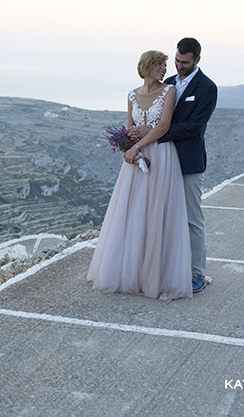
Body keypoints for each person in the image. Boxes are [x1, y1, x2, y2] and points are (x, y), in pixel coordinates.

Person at [87, 50, 192, 301]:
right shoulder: (132, 94)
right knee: (133, 211)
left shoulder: (169, 92)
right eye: (160, 65)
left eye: (165, 65)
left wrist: (137, 145)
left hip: (161, 156)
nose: (164, 69)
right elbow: (129, 126)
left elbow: (164, 126)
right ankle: (128, 272)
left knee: (157, 211)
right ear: (146, 66)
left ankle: (155, 277)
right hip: (136, 158)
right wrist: (127, 147)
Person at [130, 38, 217, 293]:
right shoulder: (167, 84)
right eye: (177, 61)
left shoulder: (207, 88)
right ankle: (166, 268)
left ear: (197, 60)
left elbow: (194, 127)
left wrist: (155, 131)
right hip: (160, 162)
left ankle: (196, 273)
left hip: (188, 162)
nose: (179, 66)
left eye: (185, 62)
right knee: (161, 216)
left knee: (191, 219)